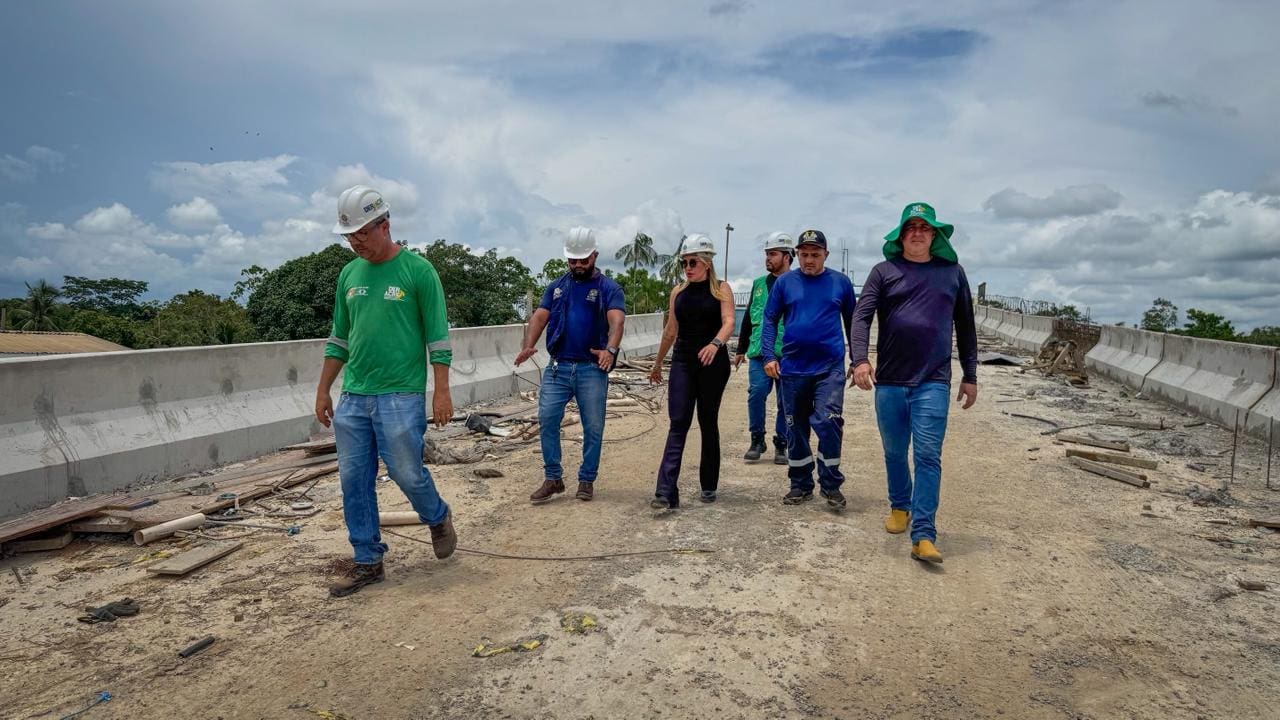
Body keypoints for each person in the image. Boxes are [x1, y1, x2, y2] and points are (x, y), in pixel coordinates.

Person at [317, 184, 457, 598]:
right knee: (353, 480)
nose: (355, 243)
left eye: (361, 233)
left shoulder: (418, 271)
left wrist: (441, 391)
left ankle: (436, 515)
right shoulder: (348, 275)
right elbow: (339, 338)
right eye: (349, 236)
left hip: (401, 394)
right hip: (354, 395)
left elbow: (438, 337)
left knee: (405, 471)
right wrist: (324, 389)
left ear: (384, 225)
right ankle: (367, 560)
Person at [850, 202, 978, 565]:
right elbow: (861, 319)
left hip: (933, 381)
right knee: (894, 452)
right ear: (901, 235)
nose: (918, 233)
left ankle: (923, 533)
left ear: (934, 235)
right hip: (889, 381)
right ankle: (899, 506)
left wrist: (970, 375)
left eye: (925, 227)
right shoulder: (883, 272)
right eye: (911, 227)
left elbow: (966, 327)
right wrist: (859, 360)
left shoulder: (952, 273)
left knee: (927, 456)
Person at [515, 227, 625, 504]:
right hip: (558, 368)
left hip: (591, 369)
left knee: (593, 426)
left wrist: (611, 350)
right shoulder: (557, 287)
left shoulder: (608, 289)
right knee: (548, 419)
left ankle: (587, 479)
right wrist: (528, 344)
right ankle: (553, 478)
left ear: (594, 256)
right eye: (572, 260)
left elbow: (616, 321)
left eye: (583, 260)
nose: (577, 265)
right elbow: (539, 317)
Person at [760, 229, 857, 509]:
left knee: (828, 422)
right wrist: (769, 356)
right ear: (797, 255)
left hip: (829, 369)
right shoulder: (785, 284)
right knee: (796, 429)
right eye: (804, 255)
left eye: (815, 255)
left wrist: (858, 358)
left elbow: (853, 323)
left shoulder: (840, 283)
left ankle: (830, 483)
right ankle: (800, 484)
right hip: (792, 370)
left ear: (826, 255)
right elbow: (769, 320)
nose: (809, 260)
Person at [649, 234, 736, 508]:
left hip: (713, 364)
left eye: (693, 262)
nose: (688, 267)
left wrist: (715, 343)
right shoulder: (678, 292)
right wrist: (657, 363)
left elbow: (729, 321)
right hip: (683, 362)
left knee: (708, 421)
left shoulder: (722, 289)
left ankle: (708, 484)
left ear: (707, 263)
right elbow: (670, 331)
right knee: (678, 423)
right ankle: (665, 491)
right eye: (684, 262)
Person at [734, 232, 795, 465]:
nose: (768, 259)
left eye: (773, 254)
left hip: (788, 351)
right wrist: (741, 348)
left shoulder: (796, 282)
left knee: (785, 400)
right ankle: (757, 438)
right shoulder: (759, 285)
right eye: (767, 254)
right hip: (760, 350)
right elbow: (750, 316)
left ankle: (782, 442)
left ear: (787, 256)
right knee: (757, 393)